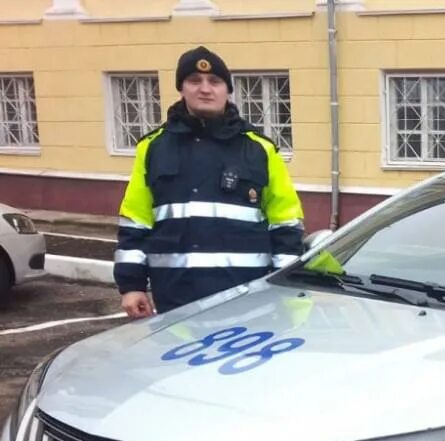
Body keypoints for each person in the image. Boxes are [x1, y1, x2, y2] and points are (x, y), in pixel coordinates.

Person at [114, 46, 305, 318]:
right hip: (176, 300)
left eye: (215, 82)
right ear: (181, 88)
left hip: (247, 300)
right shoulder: (153, 147)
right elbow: (135, 222)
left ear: (227, 90)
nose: (205, 89)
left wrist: (285, 289)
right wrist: (131, 285)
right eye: (194, 81)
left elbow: (285, 224)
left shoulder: (259, 149)